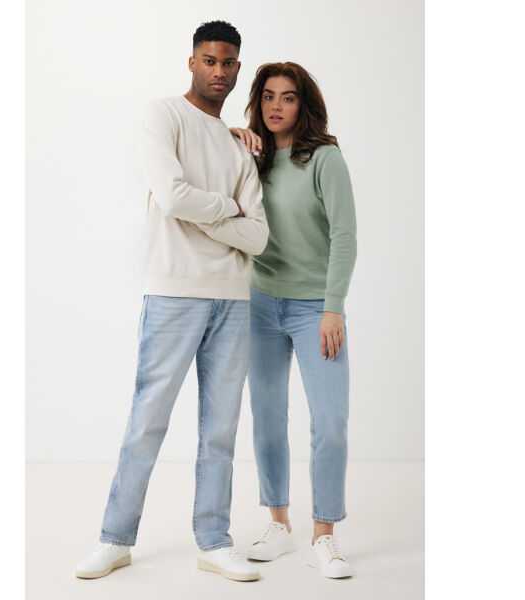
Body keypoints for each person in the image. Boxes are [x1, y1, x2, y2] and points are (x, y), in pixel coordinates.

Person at [75, 21, 269, 583]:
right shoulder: (162, 115)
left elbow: (259, 237)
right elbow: (171, 194)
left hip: (233, 299)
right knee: (148, 420)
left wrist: (205, 210)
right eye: (209, 60)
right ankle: (115, 539)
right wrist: (228, 208)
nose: (219, 71)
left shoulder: (239, 144)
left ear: (238, 68)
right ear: (192, 62)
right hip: (174, 291)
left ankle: (215, 541)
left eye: (228, 63)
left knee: (221, 429)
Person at [231, 62, 357, 578]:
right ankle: (278, 524)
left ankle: (323, 535)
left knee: (330, 421)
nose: (276, 106)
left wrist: (333, 307)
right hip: (260, 302)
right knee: (267, 416)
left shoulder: (325, 159)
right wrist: (228, 137)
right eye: (267, 96)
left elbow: (345, 236)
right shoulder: (251, 157)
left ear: (303, 104)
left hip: (314, 310)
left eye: (287, 97)